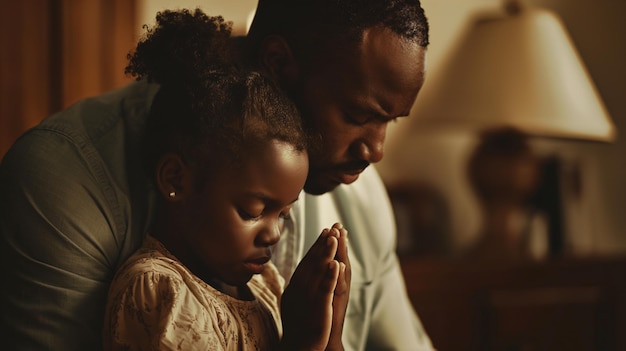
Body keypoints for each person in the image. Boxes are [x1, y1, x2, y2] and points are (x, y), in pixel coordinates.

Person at [0, 1, 432, 350]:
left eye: (390, 122)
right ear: (279, 62)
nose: (375, 151)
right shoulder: (65, 182)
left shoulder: (361, 197)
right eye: (358, 115)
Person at [104, 13, 349, 350]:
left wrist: (329, 328)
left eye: (283, 215)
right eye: (253, 210)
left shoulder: (267, 287)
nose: (273, 234)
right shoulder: (159, 290)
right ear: (175, 179)